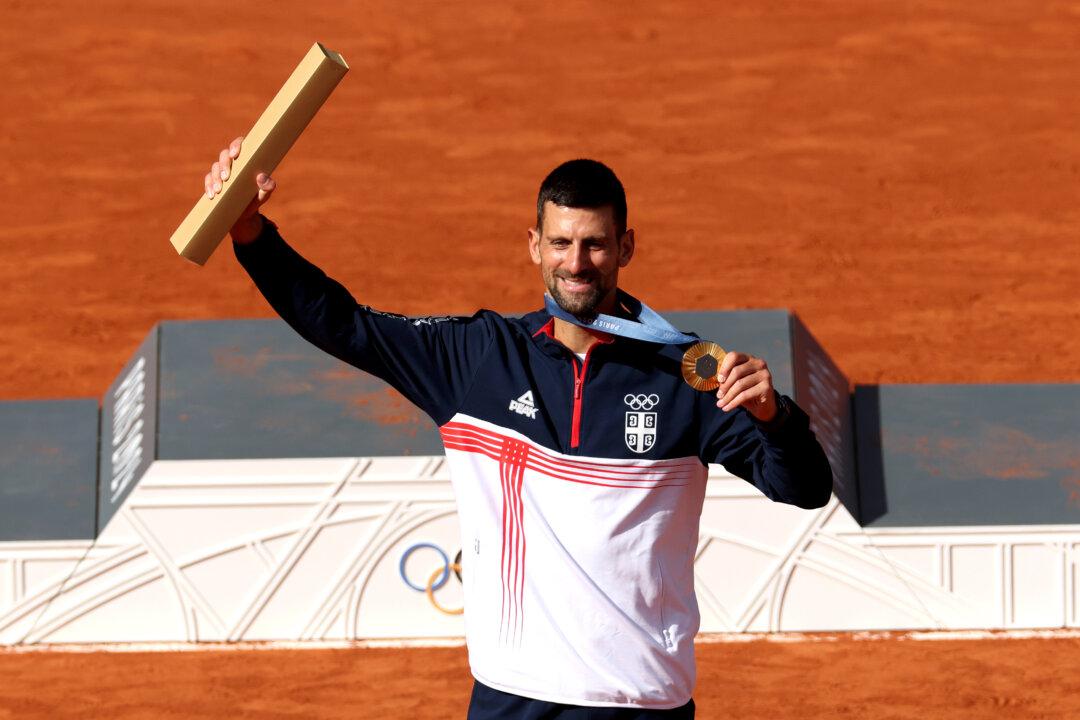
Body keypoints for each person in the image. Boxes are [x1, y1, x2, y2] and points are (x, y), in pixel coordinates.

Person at [203, 137, 833, 719]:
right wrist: (250, 232)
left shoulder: (686, 376)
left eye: (595, 244)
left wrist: (773, 417)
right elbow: (344, 324)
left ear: (626, 248)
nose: (576, 263)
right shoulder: (479, 359)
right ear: (534, 245)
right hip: (512, 697)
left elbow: (803, 488)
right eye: (560, 243)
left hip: (641, 699)